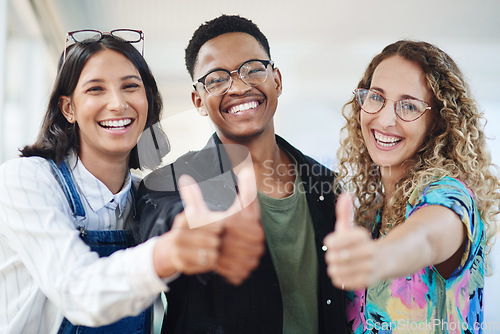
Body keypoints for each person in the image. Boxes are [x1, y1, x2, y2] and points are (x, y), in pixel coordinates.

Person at [0, 30, 256, 333]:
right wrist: (165, 254)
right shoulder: (26, 180)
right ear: (68, 108)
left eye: (130, 87)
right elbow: (77, 292)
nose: (117, 103)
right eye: (96, 89)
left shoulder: (145, 198)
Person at [137, 15, 346, 334]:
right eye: (217, 79)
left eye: (253, 69)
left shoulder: (328, 185)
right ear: (199, 101)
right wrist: (191, 235)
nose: (238, 85)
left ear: (276, 79)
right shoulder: (171, 185)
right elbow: (158, 232)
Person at [323, 40, 500, 332]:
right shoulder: (371, 214)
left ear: (437, 122)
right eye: (376, 97)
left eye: (409, 106)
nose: (385, 118)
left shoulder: (449, 196)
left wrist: (377, 258)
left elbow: (424, 238)